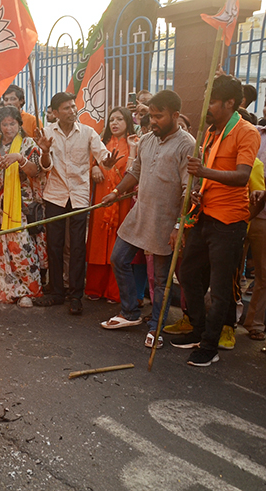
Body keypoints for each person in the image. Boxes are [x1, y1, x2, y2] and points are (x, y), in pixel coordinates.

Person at [171, 75, 261, 366]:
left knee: (220, 289)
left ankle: (210, 346)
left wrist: (203, 173)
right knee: (187, 273)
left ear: (230, 103)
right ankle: (198, 330)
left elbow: (242, 176)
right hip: (205, 214)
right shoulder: (210, 131)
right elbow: (208, 171)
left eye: (212, 101)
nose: (206, 106)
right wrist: (199, 189)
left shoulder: (246, 132)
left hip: (230, 222)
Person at [98, 90, 194, 349]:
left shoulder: (187, 144)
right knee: (119, 258)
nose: (153, 121)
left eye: (159, 116)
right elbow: (136, 171)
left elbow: (188, 190)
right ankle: (130, 312)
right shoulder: (148, 139)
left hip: (166, 220)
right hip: (140, 213)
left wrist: (178, 225)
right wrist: (116, 192)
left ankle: (155, 328)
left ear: (175, 115)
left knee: (162, 280)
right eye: (151, 115)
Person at [33, 92, 119, 314]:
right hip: (55, 195)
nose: (72, 111)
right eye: (67, 108)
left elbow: (103, 157)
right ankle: (56, 292)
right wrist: (44, 151)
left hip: (80, 196)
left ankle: (76, 296)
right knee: (54, 245)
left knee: (78, 246)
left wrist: (108, 161)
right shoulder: (47, 133)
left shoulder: (88, 132)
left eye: (73, 106)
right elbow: (45, 166)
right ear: (55, 112)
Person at [0, 106, 45, 305]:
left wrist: (20, 159)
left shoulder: (28, 143)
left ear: (19, 125)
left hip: (19, 207)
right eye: (4, 124)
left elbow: (35, 171)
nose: (8, 128)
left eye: (12, 123)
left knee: (20, 247)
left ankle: (26, 292)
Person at [85, 107, 137, 303]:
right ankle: (94, 287)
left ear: (128, 122)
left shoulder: (134, 143)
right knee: (98, 242)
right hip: (101, 197)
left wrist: (132, 148)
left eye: (120, 119)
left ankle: (114, 292)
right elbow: (90, 162)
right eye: (112, 119)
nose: (114, 123)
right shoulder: (100, 142)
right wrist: (94, 168)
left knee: (117, 242)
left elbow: (133, 172)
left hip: (121, 199)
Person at [242, 121, 266, 341]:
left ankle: (255, 323)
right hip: (238, 215)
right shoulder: (254, 132)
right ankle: (224, 322)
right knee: (229, 271)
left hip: (262, 219)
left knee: (262, 274)